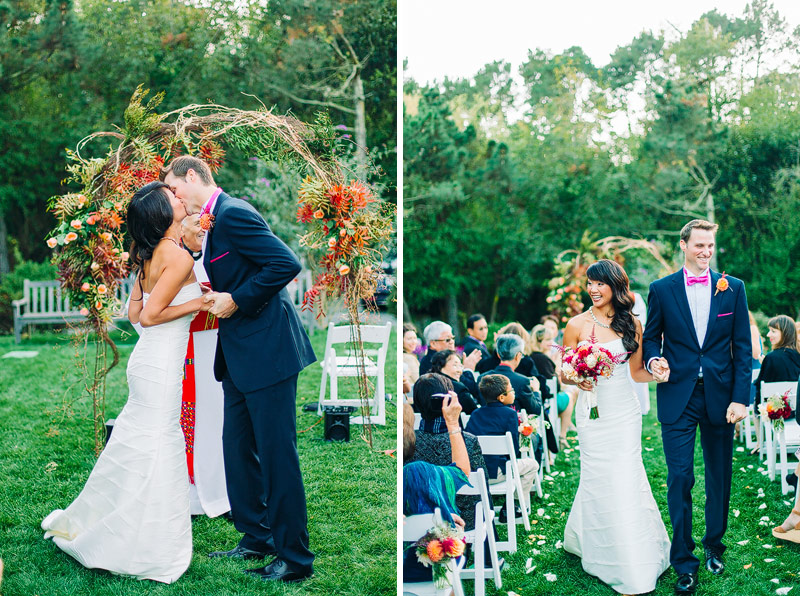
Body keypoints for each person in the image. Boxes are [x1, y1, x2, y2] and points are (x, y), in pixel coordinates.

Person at [42, 181, 211, 583]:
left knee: (140, 443)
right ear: (162, 213)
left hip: (147, 363)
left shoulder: (151, 257)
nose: (178, 197)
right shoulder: (178, 257)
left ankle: (128, 523)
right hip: (162, 365)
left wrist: (181, 298)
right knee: (161, 441)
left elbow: (135, 314)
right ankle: (149, 543)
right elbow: (151, 317)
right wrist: (200, 300)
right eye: (171, 196)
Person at [163, 155, 317, 583]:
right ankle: (256, 536)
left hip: (268, 350)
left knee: (276, 455)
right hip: (237, 355)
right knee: (237, 449)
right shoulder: (210, 221)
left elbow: (285, 264)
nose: (175, 198)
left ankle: (295, 558)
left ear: (192, 176)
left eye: (175, 189)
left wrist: (238, 299)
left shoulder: (234, 213)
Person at [643, 220, 751, 595]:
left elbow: (742, 349)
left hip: (722, 398)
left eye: (711, 246)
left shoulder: (733, 288)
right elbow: (650, 340)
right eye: (700, 245)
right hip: (678, 396)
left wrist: (741, 398)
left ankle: (714, 546)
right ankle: (684, 561)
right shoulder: (661, 289)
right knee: (680, 477)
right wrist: (655, 361)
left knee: (719, 476)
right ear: (684, 245)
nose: (706, 252)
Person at [562, 259, 670, 596]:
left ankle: (633, 555)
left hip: (624, 411)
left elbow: (637, 372)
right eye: (589, 284)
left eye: (600, 283)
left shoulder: (632, 324)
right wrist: (579, 377)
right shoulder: (576, 324)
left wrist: (658, 373)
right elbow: (564, 371)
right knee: (597, 475)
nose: (593, 289)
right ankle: (593, 542)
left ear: (615, 286)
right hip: (592, 412)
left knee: (624, 475)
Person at [179, 213, 230, 518]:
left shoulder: (217, 253)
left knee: (220, 418)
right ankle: (194, 490)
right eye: (193, 222)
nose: (201, 227)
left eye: (204, 222)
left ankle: (224, 487)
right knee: (193, 420)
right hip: (189, 348)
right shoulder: (171, 257)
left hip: (220, 343)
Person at [406, 373, 489, 531]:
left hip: (417, 520)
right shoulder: (468, 441)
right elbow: (482, 484)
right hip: (465, 521)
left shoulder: (408, 441)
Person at [403, 398, 470, 583]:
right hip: (424, 567)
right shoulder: (416, 473)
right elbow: (462, 472)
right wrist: (452, 423)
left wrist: (445, 515)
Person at [465, 374, 539, 511]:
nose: (514, 392)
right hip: (495, 472)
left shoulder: (475, 413)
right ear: (502, 397)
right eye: (511, 390)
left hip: (474, 472)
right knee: (532, 465)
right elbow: (514, 451)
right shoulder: (510, 414)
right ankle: (514, 506)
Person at [530, 324, 577, 449]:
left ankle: (562, 434)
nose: (551, 342)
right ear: (539, 342)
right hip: (547, 403)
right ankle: (562, 435)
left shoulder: (529, 357)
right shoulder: (544, 360)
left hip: (536, 401)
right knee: (569, 396)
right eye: (547, 340)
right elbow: (554, 386)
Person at [754, 315, 800, 405]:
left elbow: (760, 391)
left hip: (776, 415)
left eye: (773, 331)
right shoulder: (796, 356)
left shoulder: (772, 358)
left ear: (785, 333)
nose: (768, 335)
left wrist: (766, 363)